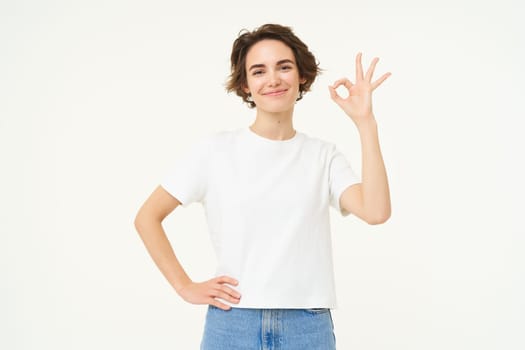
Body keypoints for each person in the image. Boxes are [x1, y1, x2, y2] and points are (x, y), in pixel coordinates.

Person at [134, 23, 391, 350]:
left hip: (307, 325)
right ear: (244, 85)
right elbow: (147, 217)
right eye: (259, 71)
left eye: (284, 67)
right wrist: (184, 286)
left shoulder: (323, 156)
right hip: (232, 322)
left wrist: (365, 122)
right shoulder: (214, 151)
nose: (272, 79)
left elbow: (376, 211)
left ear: (301, 76)